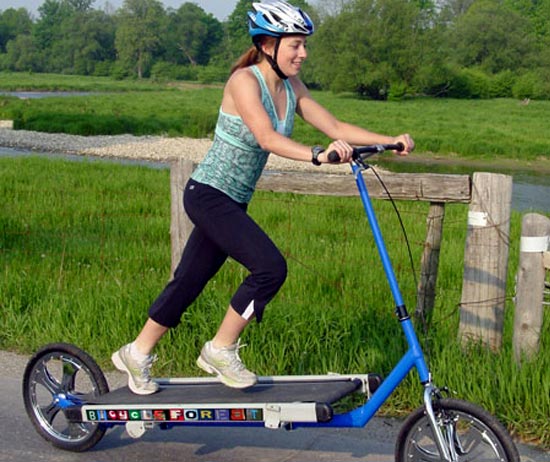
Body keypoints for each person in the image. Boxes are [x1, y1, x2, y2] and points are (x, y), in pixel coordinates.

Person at [112, 0, 415, 395]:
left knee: (188, 282)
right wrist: (317, 155)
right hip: (208, 194)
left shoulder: (291, 87)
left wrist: (390, 140)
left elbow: (335, 126)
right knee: (270, 268)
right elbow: (266, 138)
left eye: (304, 45)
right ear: (268, 45)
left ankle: (136, 353)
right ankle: (220, 349)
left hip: (233, 201)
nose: (303, 53)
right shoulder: (244, 81)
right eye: (295, 45)